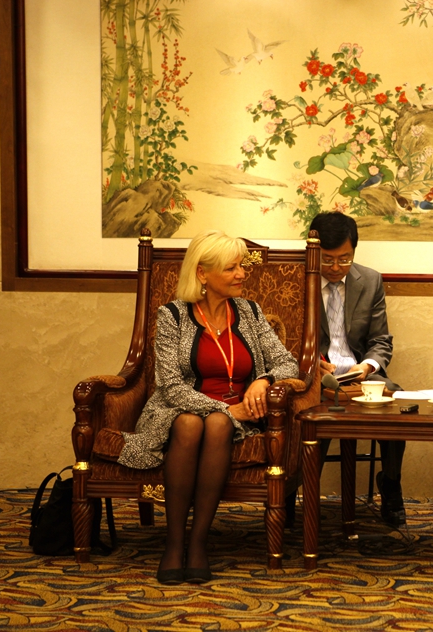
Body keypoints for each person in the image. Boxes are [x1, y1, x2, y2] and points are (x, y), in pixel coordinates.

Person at [118, 230, 298, 585]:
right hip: (177, 410)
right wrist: (228, 410)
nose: (242, 274)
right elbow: (170, 386)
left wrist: (263, 380)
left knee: (217, 424)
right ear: (202, 273)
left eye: (241, 266)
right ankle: (174, 543)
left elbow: (288, 363)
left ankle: (198, 542)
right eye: (231, 268)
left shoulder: (249, 312)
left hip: (236, 418)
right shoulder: (172, 315)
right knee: (192, 423)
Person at [310, 211, 407, 528]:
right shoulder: (297, 278)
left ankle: (390, 483)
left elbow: (380, 340)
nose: (336, 267)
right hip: (315, 378)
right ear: (313, 251)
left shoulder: (370, 280)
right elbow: (284, 337)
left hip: (359, 376)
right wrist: (310, 364)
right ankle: (300, 490)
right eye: (327, 259)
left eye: (344, 259)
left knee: (396, 400)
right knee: (309, 411)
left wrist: (368, 365)